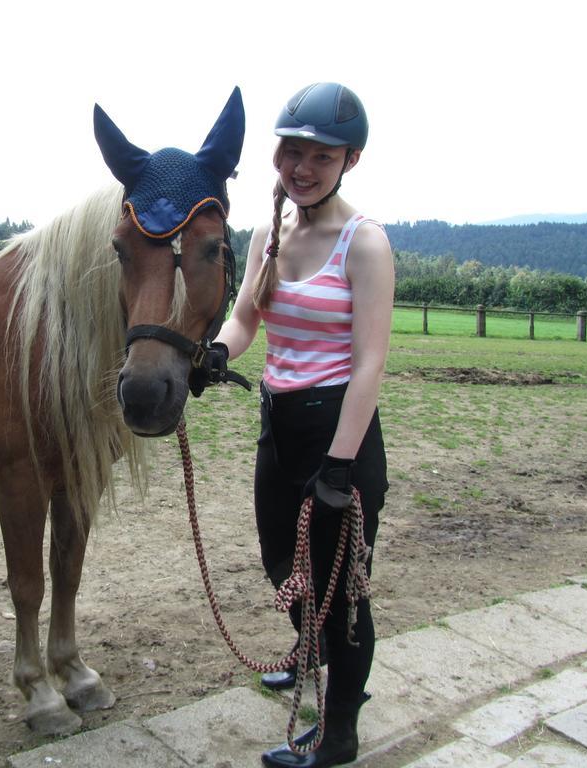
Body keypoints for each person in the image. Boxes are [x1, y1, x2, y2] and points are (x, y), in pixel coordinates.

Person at [193, 82, 393, 767]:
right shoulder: (270, 233)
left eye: (319, 155)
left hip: (341, 431)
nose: (301, 167)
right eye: (291, 152)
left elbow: (369, 363)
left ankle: (339, 734)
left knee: (342, 593)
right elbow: (248, 315)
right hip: (278, 425)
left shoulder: (363, 243)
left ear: (350, 160)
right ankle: (307, 652)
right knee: (282, 562)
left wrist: (339, 465)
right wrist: (220, 349)